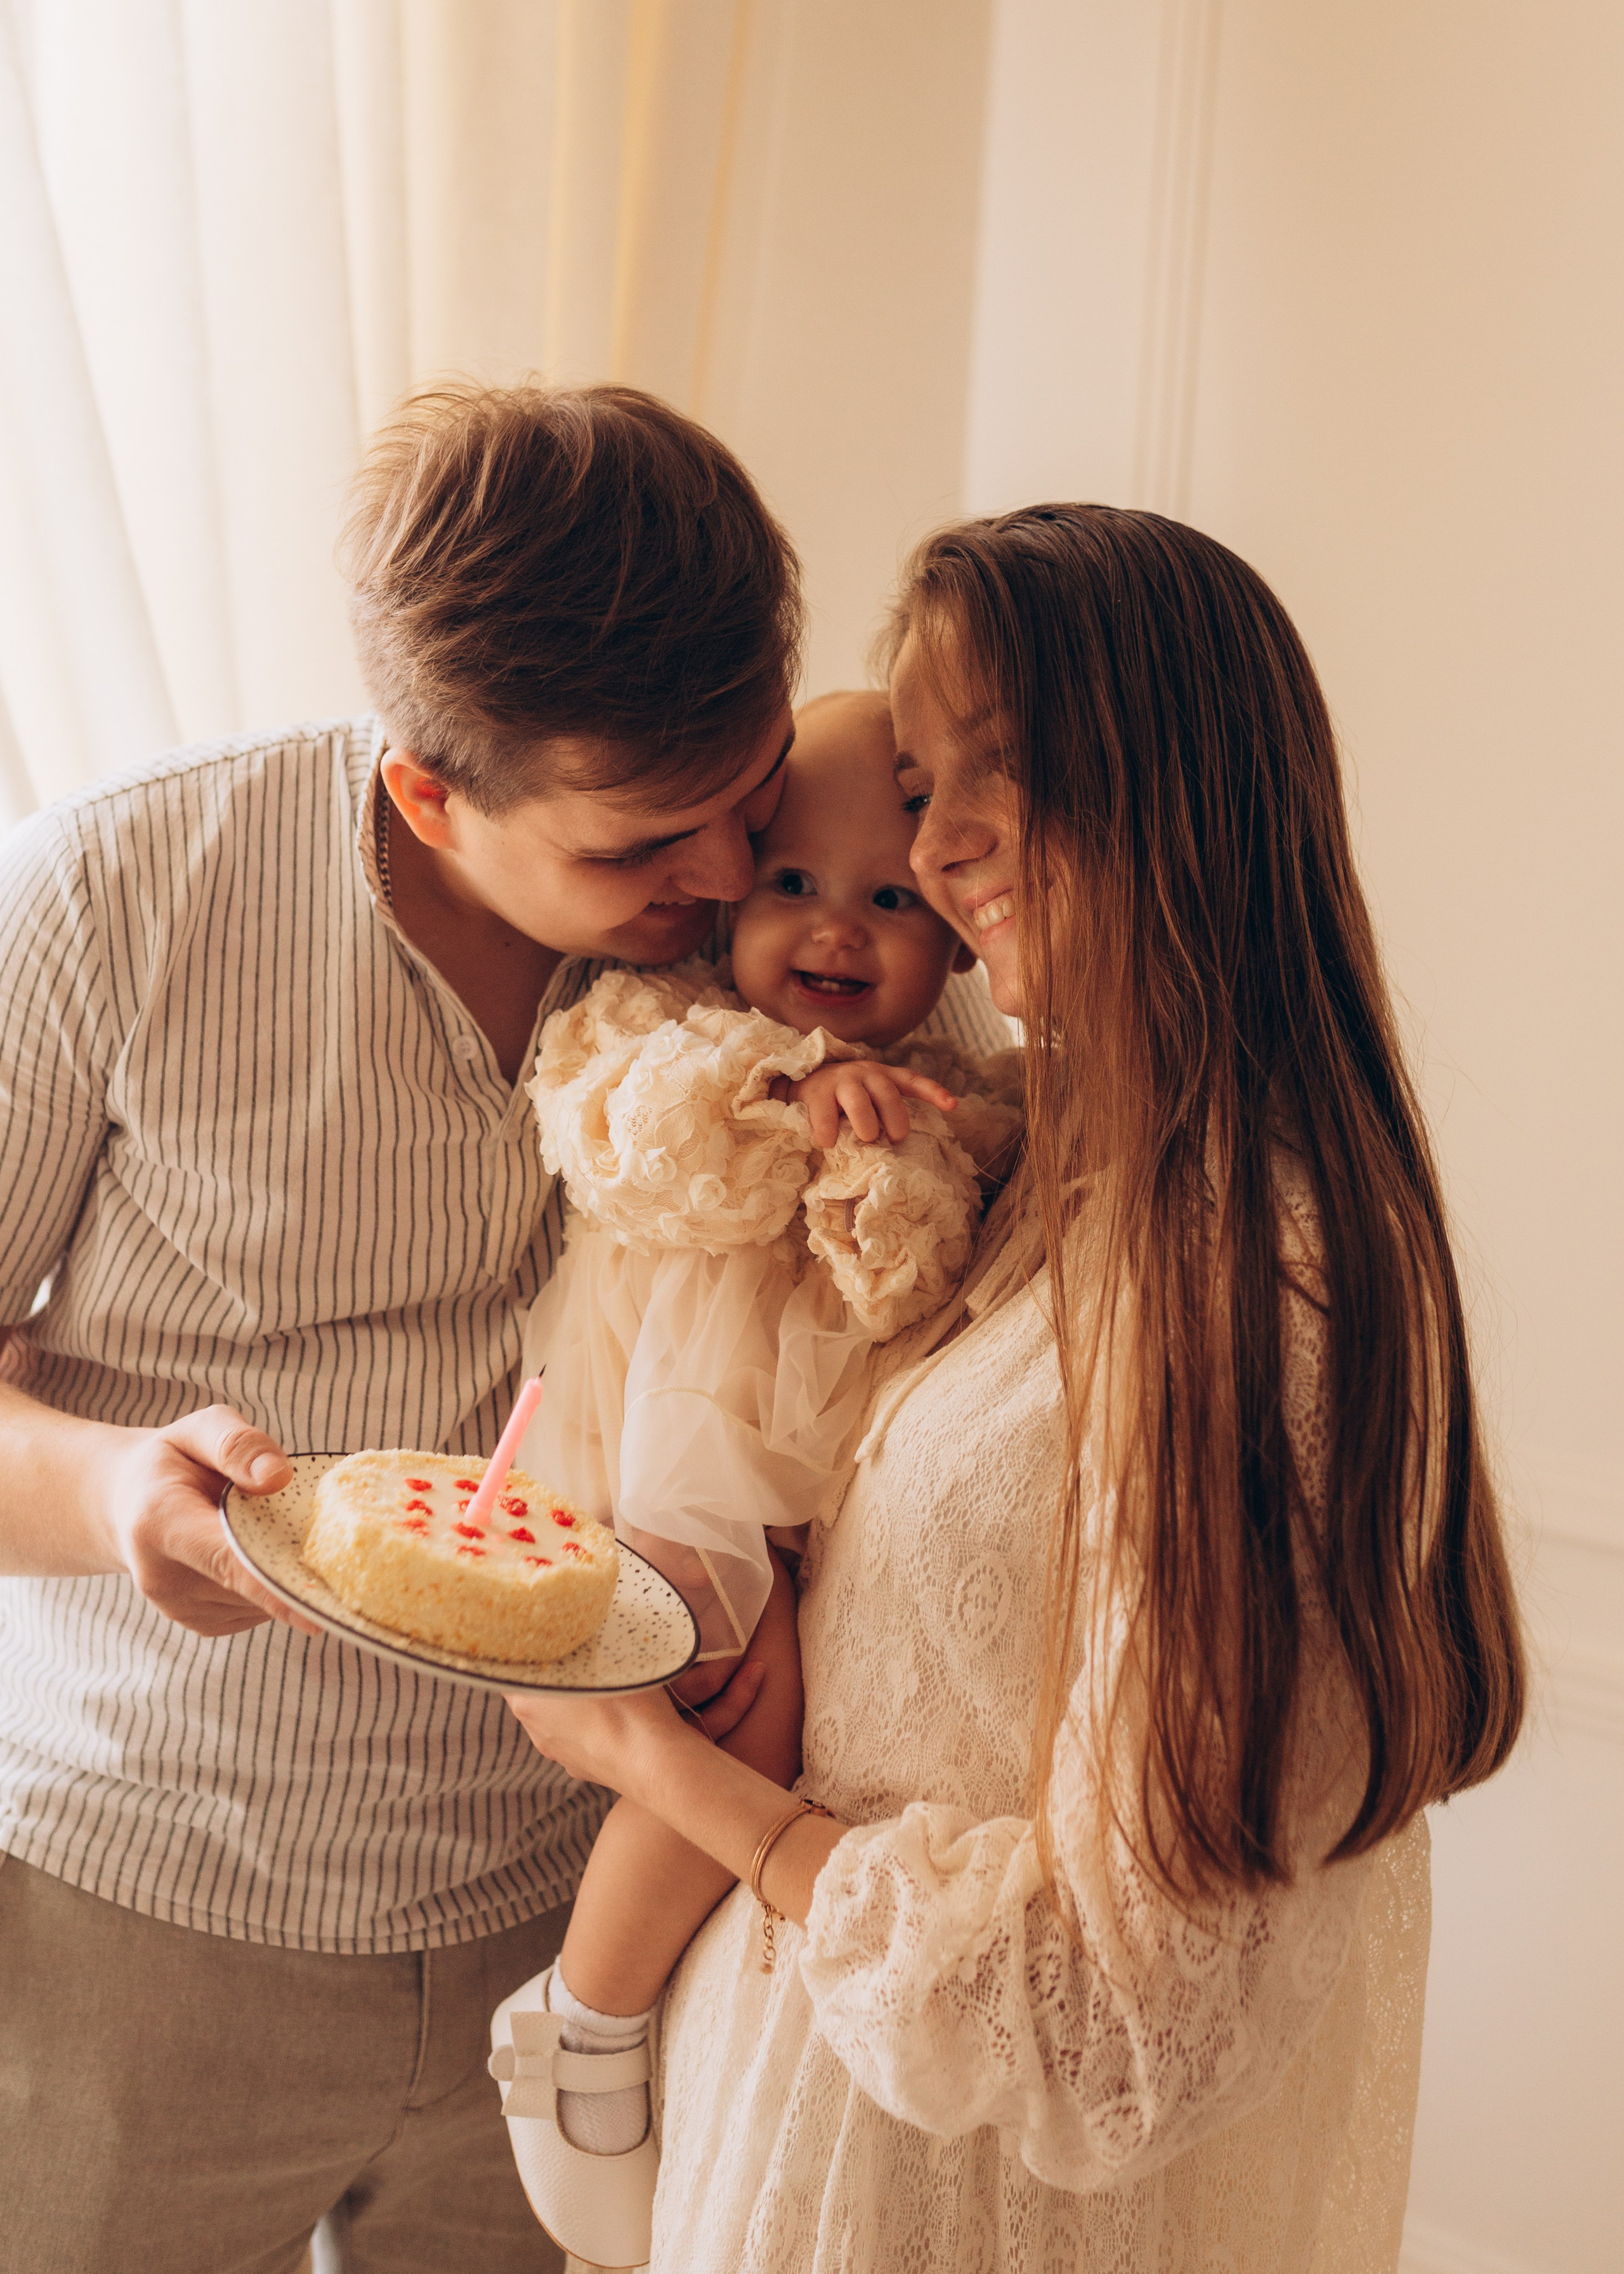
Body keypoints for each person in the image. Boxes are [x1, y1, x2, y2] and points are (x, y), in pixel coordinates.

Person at [0, 378, 994, 2274]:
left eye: (746, 794)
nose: (721, 884)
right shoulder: (114, 894)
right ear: (427, 790)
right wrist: (123, 1494)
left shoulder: (821, 917)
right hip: (136, 1925)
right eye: (642, 850)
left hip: (592, 1925)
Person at [505, 503, 1528, 2273]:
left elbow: (1119, 2029)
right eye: (920, 776)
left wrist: (662, 1773)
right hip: (806, 2131)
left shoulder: (1258, 1289)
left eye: (1006, 769)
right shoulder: (1056, 1169)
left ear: (1182, 791)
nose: (943, 835)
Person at [489, 690, 1022, 2264]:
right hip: (667, 1438)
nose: (835, 933)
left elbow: (909, 1278)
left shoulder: (942, 1073)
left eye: (893, 900)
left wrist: (902, 1165)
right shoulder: (657, 1024)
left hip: (818, 1479)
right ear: (727, 888)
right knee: (732, 1708)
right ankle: (585, 2011)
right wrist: (790, 1097)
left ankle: (643, 2003)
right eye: (790, 882)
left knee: (805, 1726)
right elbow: (618, 1134)